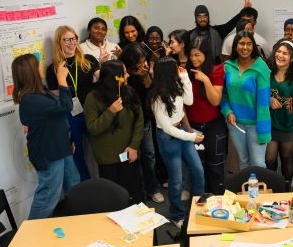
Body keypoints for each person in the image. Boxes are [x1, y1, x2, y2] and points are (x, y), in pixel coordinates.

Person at [12, 53, 79, 219]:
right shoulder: (30, 100)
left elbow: (57, 118)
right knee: (48, 196)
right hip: (48, 153)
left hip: (60, 147)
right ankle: (32, 236)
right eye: (38, 65)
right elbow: (65, 106)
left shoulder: (41, 92)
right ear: (32, 71)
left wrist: (68, 140)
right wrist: (62, 79)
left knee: (74, 186)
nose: (42, 67)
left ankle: (79, 223)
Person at [150, 57, 206, 229]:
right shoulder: (157, 98)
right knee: (176, 180)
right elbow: (167, 128)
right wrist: (191, 137)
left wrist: (185, 78)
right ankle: (177, 215)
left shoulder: (177, 86)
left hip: (182, 132)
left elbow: (189, 101)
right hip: (169, 138)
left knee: (198, 170)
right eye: (176, 68)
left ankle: (198, 207)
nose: (179, 69)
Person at [84, 60, 144, 203]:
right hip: (108, 159)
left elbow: (139, 121)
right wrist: (110, 112)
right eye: (124, 73)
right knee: (114, 197)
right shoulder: (93, 98)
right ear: (114, 77)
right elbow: (93, 128)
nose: (128, 75)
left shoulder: (129, 92)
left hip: (129, 154)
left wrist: (134, 145)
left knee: (135, 191)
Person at [46, 25, 99, 181]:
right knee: (77, 154)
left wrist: (108, 67)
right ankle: (87, 188)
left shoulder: (88, 60)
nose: (71, 42)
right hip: (70, 116)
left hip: (91, 112)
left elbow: (101, 78)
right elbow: (56, 99)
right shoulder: (53, 69)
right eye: (66, 39)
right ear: (59, 42)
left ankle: (106, 186)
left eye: (73, 38)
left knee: (99, 148)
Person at [220, 30, 272, 169]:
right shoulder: (228, 66)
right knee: (243, 162)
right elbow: (223, 95)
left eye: (249, 44)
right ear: (235, 46)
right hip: (235, 124)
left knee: (258, 164)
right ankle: (248, 191)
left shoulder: (261, 69)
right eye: (241, 43)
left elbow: (263, 104)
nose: (245, 47)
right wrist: (227, 112)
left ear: (253, 46)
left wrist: (263, 133)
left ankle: (259, 191)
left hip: (256, 125)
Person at [120, 43, 163, 203]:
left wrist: (145, 75)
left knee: (149, 156)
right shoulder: (123, 73)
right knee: (130, 160)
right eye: (139, 61)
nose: (142, 63)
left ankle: (153, 188)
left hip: (144, 121)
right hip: (126, 126)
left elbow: (150, 92)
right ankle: (134, 193)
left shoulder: (144, 71)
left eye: (144, 60)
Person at [186, 37, 227, 195]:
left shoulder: (216, 70)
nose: (194, 59)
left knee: (215, 167)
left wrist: (205, 80)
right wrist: (188, 129)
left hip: (213, 126)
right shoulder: (186, 73)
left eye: (197, 55)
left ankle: (217, 201)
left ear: (206, 54)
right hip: (193, 127)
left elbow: (215, 100)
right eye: (191, 55)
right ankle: (199, 202)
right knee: (197, 167)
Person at [265, 40, 293, 186]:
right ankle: (272, 187)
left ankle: (285, 187)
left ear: (292, 58)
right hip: (271, 123)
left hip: (291, 123)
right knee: (269, 158)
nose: (280, 55)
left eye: (285, 53)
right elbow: (257, 92)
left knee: (286, 157)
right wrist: (268, 98)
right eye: (278, 51)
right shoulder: (267, 72)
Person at [188, 0, 253, 64]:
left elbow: (231, 24)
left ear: (208, 17)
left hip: (216, 69)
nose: (202, 19)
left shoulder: (217, 31)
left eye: (205, 16)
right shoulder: (189, 35)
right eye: (199, 17)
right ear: (196, 18)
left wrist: (244, 10)